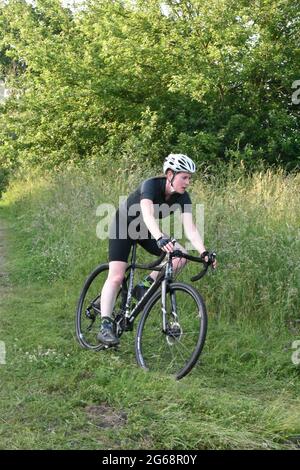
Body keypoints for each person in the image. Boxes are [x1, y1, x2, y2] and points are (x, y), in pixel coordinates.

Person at [97, 153, 216, 346]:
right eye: (184, 177)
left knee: (181, 255)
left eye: (189, 178)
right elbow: (147, 214)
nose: (188, 182)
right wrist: (160, 237)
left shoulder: (183, 197)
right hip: (123, 227)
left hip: (146, 231)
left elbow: (190, 228)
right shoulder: (150, 185)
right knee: (117, 276)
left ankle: (143, 286)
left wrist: (203, 252)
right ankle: (105, 327)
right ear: (170, 174)